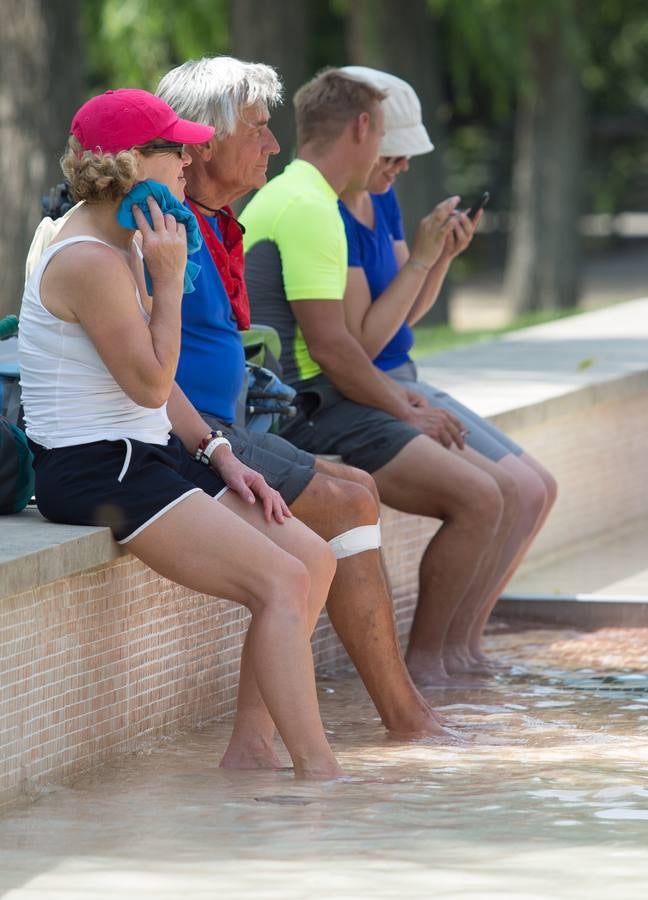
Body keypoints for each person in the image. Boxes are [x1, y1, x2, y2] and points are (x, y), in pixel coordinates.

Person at [18, 88, 342, 780]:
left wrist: (218, 451)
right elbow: (146, 384)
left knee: (313, 560)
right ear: (131, 163)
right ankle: (321, 778)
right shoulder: (88, 258)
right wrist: (168, 282)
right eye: (175, 149)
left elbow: (158, 395)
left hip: (147, 452)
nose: (190, 160)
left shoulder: (122, 236)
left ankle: (252, 749)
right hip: (95, 468)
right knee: (282, 582)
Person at [155, 56, 447, 737]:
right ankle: (406, 716)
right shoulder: (165, 228)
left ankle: (268, 741)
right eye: (257, 128)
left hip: (224, 425)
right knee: (349, 498)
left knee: (350, 490)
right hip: (189, 435)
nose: (272, 143)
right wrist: (216, 446)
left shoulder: (213, 220)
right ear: (203, 138)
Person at [242, 69, 518, 686]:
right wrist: (405, 408)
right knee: (480, 497)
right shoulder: (311, 206)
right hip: (305, 409)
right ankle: (430, 668)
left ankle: (450, 663)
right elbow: (334, 348)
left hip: (315, 395)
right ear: (364, 127)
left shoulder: (302, 196)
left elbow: (346, 345)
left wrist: (399, 397)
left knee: (493, 494)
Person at [337, 66, 557, 669]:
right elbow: (363, 338)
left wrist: (438, 260)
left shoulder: (380, 200)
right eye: (394, 155)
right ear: (363, 137)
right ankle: (431, 658)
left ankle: (464, 645)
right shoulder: (329, 214)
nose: (401, 168)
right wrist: (422, 262)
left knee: (538, 489)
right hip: (373, 387)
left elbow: (406, 316)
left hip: (402, 373)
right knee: (500, 492)